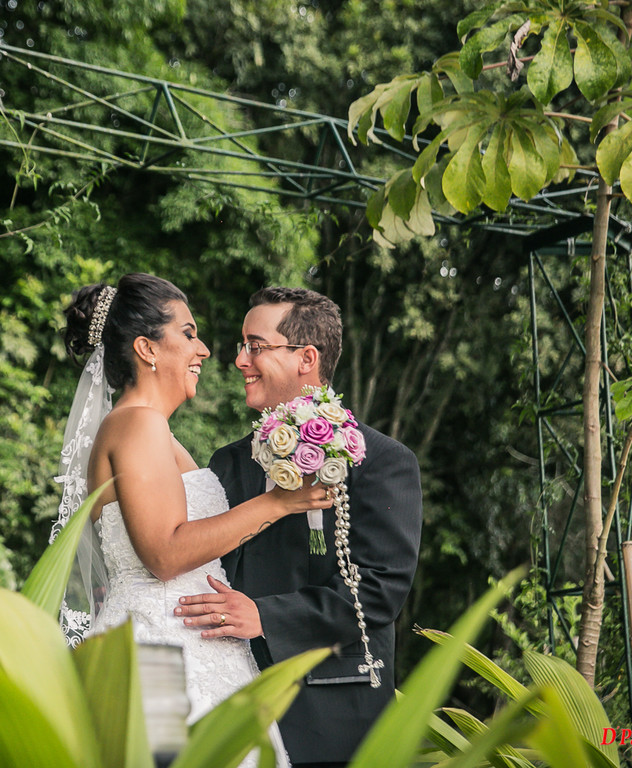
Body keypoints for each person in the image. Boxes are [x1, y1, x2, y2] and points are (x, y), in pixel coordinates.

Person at [52, 274, 329, 768]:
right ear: (147, 349)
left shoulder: (154, 431)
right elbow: (165, 554)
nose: (203, 349)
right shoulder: (136, 424)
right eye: (188, 333)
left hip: (194, 645)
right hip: (160, 651)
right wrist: (279, 503)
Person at [175, 287, 423, 767]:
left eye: (255, 346)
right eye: (242, 345)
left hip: (332, 714)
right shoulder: (227, 463)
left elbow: (379, 588)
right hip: (234, 704)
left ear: (306, 358)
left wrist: (265, 617)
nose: (239, 360)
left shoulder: (383, 462)